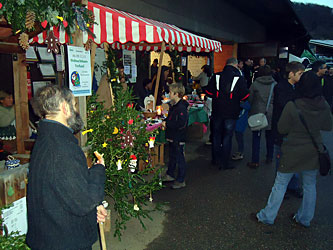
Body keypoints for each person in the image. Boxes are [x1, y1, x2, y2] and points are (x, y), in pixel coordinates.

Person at [27, 85, 107, 250]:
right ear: (64, 107)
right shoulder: (61, 148)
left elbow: (65, 189)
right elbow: (82, 202)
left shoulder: (46, 137)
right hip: (64, 241)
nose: (76, 110)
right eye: (74, 105)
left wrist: (94, 208)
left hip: (51, 236)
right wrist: (99, 170)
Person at [253, 71, 333, 227]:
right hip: (313, 151)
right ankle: (304, 219)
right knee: (310, 185)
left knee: (281, 183)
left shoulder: (293, 105)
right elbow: (328, 126)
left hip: (292, 150)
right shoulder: (323, 105)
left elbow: (282, 128)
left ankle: (267, 216)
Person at [205, 57, 249, 170]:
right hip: (231, 112)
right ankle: (224, 162)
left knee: (216, 135)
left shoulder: (216, 76)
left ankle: (215, 159)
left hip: (217, 111)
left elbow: (208, 93)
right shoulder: (239, 78)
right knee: (227, 136)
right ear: (235, 65)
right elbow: (245, 96)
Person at [272, 62, 305, 198]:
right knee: (282, 159)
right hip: (282, 130)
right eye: (300, 74)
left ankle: (293, 185)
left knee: (294, 159)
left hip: (294, 131)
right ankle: (282, 188)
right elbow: (285, 104)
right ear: (291, 74)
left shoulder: (297, 87)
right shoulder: (280, 87)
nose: (301, 77)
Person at [247, 65, 276, 168]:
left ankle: (255, 161)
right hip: (271, 113)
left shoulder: (255, 84)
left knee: (256, 138)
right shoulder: (274, 84)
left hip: (257, 113)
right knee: (270, 137)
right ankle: (269, 157)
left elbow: (250, 99)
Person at [163, 83, 189, 189]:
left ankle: (181, 179)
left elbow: (181, 124)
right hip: (172, 136)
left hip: (178, 137)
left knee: (179, 157)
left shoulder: (181, 108)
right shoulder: (174, 106)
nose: (169, 95)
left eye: (170, 93)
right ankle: (170, 174)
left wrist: (167, 124)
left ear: (176, 94)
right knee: (172, 156)